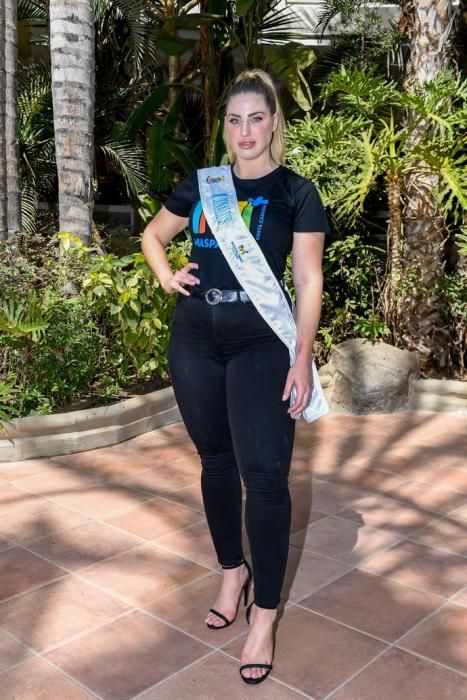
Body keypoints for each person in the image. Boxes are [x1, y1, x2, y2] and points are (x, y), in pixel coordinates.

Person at [141, 68, 330, 685]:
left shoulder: (297, 193)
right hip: (196, 334)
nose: (245, 130)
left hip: (260, 342)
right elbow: (152, 235)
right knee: (215, 462)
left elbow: (307, 281)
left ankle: (265, 618)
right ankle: (232, 574)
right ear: (225, 129)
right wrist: (167, 275)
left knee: (267, 478)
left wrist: (302, 356)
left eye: (256, 118)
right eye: (234, 119)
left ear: (275, 123)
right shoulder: (204, 184)